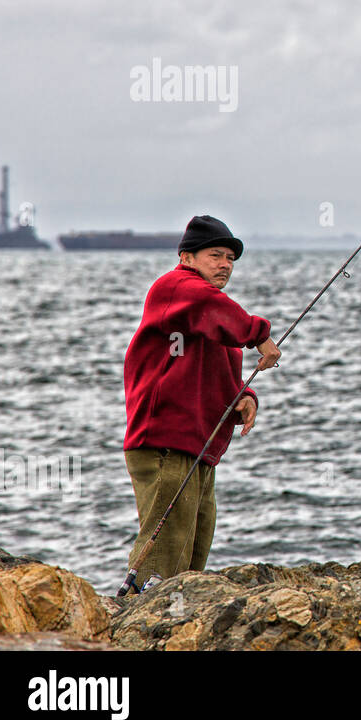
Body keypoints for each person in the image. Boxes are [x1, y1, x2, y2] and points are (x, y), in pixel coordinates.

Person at [121, 214, 280, 590]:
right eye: (215, 255)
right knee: (161, 565)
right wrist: (259, 335)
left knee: (191, 562)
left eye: (230, 258)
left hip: (199, 450)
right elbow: (214, 310)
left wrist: (245, 397)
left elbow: (219, 368)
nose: (225, 264)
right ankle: (138, 631)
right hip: (165, 444)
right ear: (187, 258)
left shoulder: (208, 312)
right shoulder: (176, 288)